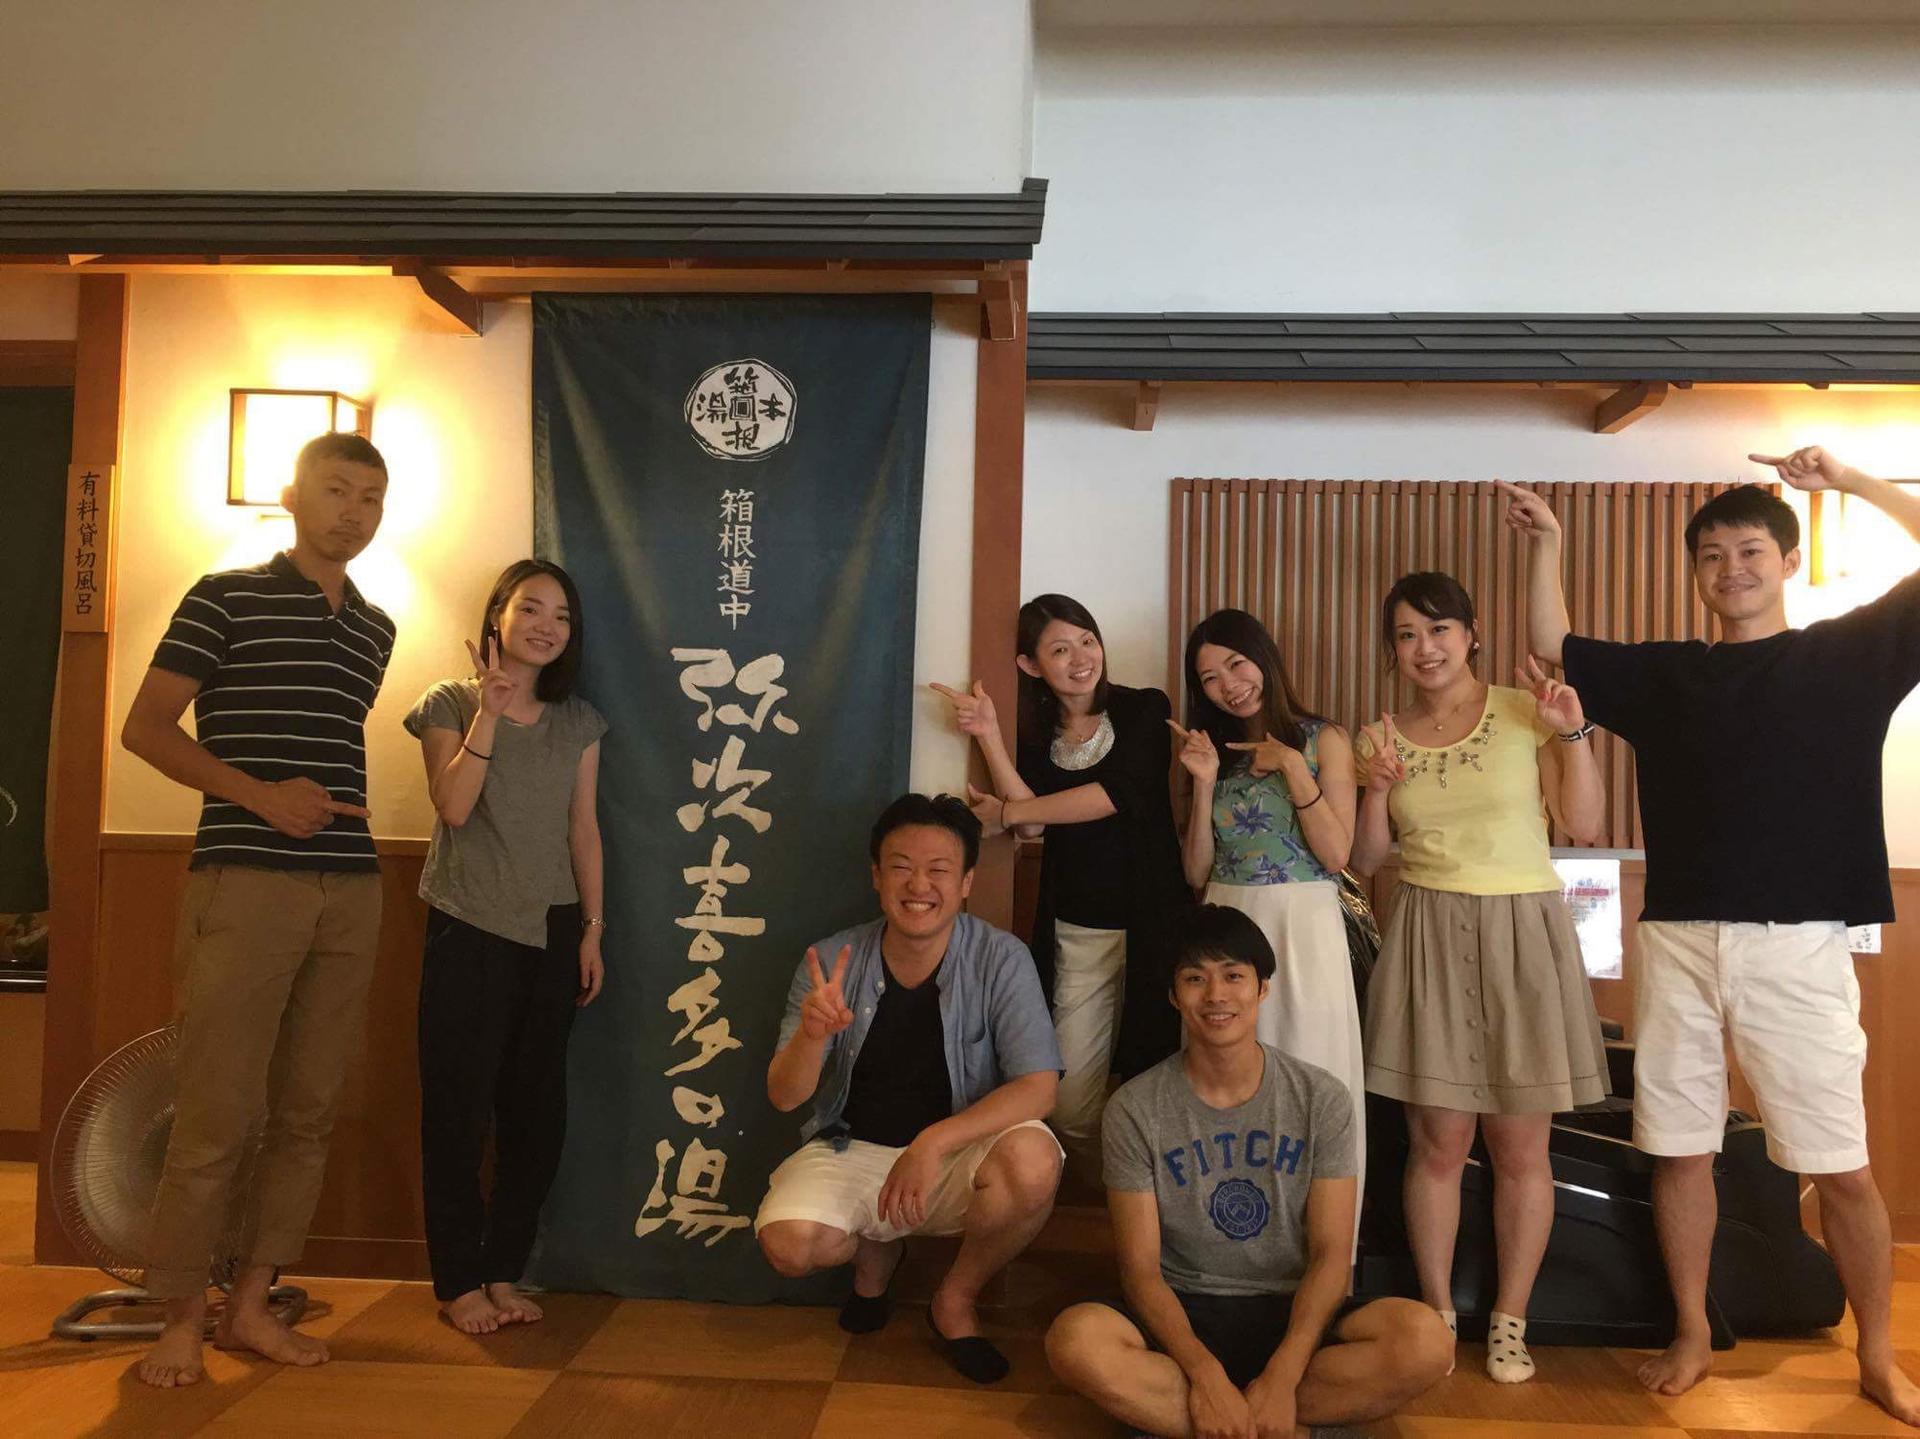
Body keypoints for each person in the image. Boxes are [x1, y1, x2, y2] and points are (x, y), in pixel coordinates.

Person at [1503, 448, 1920, 1424]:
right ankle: (1692, 1328)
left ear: (1787, 562)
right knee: (1680, 1150)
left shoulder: (1849, 656)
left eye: (1750, 551)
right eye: (1712, 554)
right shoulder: (1670, 675)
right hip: (1680, 940)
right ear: (1696, 571)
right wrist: (1549, 542)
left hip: (1800, 943)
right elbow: (1554, 641)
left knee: (1842, 1164)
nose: (1731, 568)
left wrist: (1852, 483)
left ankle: (1878, 1352)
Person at [120, 432, 395, 1388]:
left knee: (309, 1112)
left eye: (370, 497)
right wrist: (260, 796)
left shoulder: (375, 627)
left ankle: (251, 1304)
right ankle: (178, 1319)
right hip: (244, 880)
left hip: (352, 885)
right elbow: (144, 727)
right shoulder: (223, 596)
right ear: (291, 495)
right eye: (336, 490)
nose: (352, 511)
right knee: (215, 1113)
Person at [1045, 903, 1452, 1438]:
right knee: (1074, 1340)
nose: (1216, 995)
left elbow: (1332, 1255)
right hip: (1184, 1310)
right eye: (1195, 979)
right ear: (1174, 995)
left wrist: (1284, 1374)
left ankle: (1219, 1419)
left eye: (1233, 976)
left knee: (1426, 1341)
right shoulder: (1134, 1108)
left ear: (1262, 989)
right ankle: (1276, 1426)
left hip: (1294, 1307)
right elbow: (1140, 1271)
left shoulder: (1320, 1098)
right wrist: (1205, 1374)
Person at [1349, 570, 1611, 1383]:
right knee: (1437, 1143)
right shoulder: (1379, 736)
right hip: (1426, 928)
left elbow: (1584, 823)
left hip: (1524, 928)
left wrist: (1574, 733)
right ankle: (1436, 1313)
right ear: (1392, 650)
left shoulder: (1526, 709)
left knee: (1520, 1145)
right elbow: (1366, 860)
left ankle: (1510, 1321)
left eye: (1438, 629)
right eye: (1406, 634)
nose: (1424, 647)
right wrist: (1375, 790)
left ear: (1470, 634)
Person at [755, 793, 1065, 1384]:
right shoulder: (831, 959)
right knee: (790, 1246)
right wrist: (812, 1038)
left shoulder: (1001, 958)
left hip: (955, 1154)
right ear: (876, 876)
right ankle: (877, 1258)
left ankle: (955, 1300)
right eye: (900, 867)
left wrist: (932, 1143)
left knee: (1033, 1161)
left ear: (966, 882)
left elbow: (1038, 1088)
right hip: (852, 1147)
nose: (918, 885)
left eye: (938, 870)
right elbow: (785, 1096)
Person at [402, 559, 606, 1334]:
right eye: (530, 608)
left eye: (562, 615)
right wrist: (487, 713)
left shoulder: (579, 721)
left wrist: (593, 928)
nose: (546, 625)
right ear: (498, 615)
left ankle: (503, 1269)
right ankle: (459, 1281)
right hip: (470, 925)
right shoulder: (448, 702)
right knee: (458, 1110)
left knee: (536, 1114)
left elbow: (583, 830)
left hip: (553, 929)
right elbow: (453, 806)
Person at [930, 593, 1187, 1182]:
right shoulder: (1036, 733)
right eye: (1060, 650)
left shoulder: (1145, 708)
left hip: (1156, 920)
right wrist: (989, 735)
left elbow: (1117, 794)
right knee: (1070, 1102)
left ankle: (1153, 1204)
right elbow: (1034, 825)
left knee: (1159, 1070)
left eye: (1087, 641)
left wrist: (1009, 813)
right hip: (1077, 925)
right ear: (1030, 665)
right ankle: (1110, 1191)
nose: (1081, 658)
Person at [1171, 607, 1365, 1241]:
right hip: (1228, 924)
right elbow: (1197, 870)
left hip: (1304, 925)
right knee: (1226, 1080)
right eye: (1209, 678)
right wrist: (1203, 783)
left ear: (1264, 658)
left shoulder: (1323, 739)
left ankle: (1325, 1247)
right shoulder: (1209, 753)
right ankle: (1234, 1241)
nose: (1228, 685)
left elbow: (1336, 855)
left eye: (1236, 664)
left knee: (1311, 1075)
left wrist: (1291, 767)